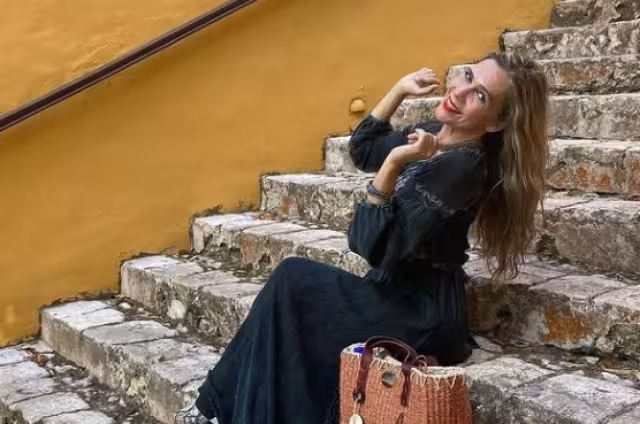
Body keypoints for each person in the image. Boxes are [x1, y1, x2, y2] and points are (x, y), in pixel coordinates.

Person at [175, 52, 549, 424]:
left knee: (293, 281)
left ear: (497, 122)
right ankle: (212, 410)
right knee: (289, 315)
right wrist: (399, 90)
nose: (460, 92)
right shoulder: (436, 131)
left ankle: (209, 410)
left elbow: (370, 245)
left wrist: (394, 163)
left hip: (421, 312)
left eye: (480, 95)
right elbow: (364, 149)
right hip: (390, 289)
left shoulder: (463, 168)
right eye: (467, 76)